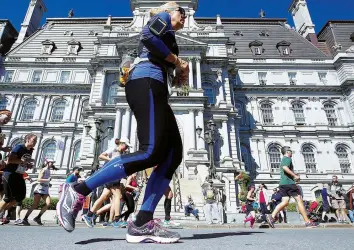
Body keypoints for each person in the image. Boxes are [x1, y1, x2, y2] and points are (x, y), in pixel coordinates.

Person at [57, 2, 188, 244]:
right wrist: (176, 61)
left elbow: (164, 61)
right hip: (145, 81)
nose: (186, 16)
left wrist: (180, 73)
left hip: (155, 85)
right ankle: (78, 190)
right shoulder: (162, 18)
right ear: (170, 11)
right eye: (183, 11)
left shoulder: (171, 36)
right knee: (151, 151)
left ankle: (142, 222)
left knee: (172, 155)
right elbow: (147, 35)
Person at [82, 138, 130, 228]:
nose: (126, 148)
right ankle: (117, 220)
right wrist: (111, 160)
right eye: (126, 146)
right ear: (122, 144)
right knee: (118, 196)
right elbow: (101, 156)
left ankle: (89, 215)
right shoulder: (113, 149)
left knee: (103, 197)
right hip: (111, 175)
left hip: (115, 177)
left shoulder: (122, 154)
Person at [266, 146, 318, 228]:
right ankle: (307, 222)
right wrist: (294, 176)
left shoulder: (283, 159)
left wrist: (294, 177)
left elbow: (284, 170)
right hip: (289, 184)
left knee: (285, 202)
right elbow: (285, 167)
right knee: (299, 200)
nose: (292, 152)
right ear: (287, 152)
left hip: (283, 184)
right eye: (290, 151)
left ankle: (271, 217)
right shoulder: (287, 159)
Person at [0, 133, 37, 225]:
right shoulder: (19, 147)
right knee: (8, 198)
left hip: (19, 175)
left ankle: (2, 211)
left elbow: (23, 162)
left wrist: (28, 165)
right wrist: (24, 161)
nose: (35, 142)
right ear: (28, 139)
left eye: (36, 140)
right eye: (34, 140)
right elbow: (10, 160)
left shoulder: (30, 150)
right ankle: (2, 212)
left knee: (21, 196)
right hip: (10, 174)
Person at [19, 159, 57, 226]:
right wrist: (47, 180)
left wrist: (48, 183)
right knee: (35, 205)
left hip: (45, 190)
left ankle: (38, 217)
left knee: (48, 203)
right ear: (47, 163)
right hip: (39, 190)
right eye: (51, 162)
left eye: (53, 163)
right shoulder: (43, 170)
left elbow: (45, 181)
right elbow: (39, 179)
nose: (52, 164)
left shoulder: (49, 170)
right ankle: (25, 218)